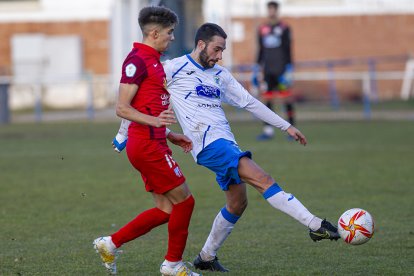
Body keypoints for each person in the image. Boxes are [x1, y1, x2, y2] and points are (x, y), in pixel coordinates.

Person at [112, 23, 339, 273]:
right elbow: (136, 99)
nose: (220, 56)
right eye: (217, 49)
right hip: (206, 143)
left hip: (227, 142)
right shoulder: (173, 68)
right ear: (201, 45)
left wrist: (285, 126)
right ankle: (315, 224)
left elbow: (250, 102)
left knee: (237, 203)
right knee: (262, 178)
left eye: (222, 51)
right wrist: (123, 134)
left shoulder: (220, 75)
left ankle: (206, 256)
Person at [93, 6, 200, 276]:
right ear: (154, 33)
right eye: (169, 32)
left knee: (166, 209)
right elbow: (122, 108)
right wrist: (156, 124)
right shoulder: (137, 60)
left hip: (155, 142)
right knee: (185, 202)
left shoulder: (152, 59)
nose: (172, 38)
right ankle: (172, 265)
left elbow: (147, 107)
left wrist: (170, 134)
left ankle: (110, 243)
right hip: (147, 146)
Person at [256, 1, 296, 141]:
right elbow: (260, 50)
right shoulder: (262, 28)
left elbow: (288, 48)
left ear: (277, 11)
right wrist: (257, 67)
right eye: (269, 9)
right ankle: (268, 131)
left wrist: (289, 67)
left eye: (273, 9)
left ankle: (292, 129)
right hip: (267, 70)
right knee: (266, 99)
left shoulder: (284, 28)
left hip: (281, 69)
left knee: (286, 99)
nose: (271, 12)